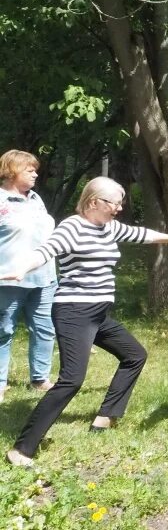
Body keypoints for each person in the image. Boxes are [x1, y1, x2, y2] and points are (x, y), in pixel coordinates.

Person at [3, 177, 168, 467]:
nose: (118, 209)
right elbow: (45, 252)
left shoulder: (109, 227)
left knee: (134, 355)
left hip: (98, 314)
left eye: (120, 203)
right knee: (71, 380)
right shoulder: (72, 227)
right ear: (94, 202)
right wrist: (20, 270)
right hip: (74, 312)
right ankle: (22, 449)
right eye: (113, 203)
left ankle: (105, 417)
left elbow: (139, 234)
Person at [0, 150, 56, 404]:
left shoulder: (36, 199)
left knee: (44, 329)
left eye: (35, 169)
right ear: (12, 171)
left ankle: (40, 378)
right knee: (4, 330)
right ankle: (0, 383)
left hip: (44, 277)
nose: (35, 173)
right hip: (8, 278)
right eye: (29, 170)